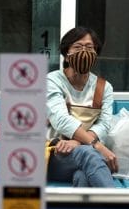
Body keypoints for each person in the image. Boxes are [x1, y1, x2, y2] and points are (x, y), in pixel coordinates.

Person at [46, 26, 118, 187]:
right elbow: (61, 120)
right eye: (77, 47)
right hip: (54, 154)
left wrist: (79, 142)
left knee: (83, 177)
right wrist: (96, 145)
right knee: (90, 155)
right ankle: (120, 208)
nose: (84, 52)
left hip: (84, 154)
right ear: (66, 53)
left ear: (96, 54)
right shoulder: (52, 81)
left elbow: (104, 125)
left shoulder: (104, 87)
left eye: (89, 47)